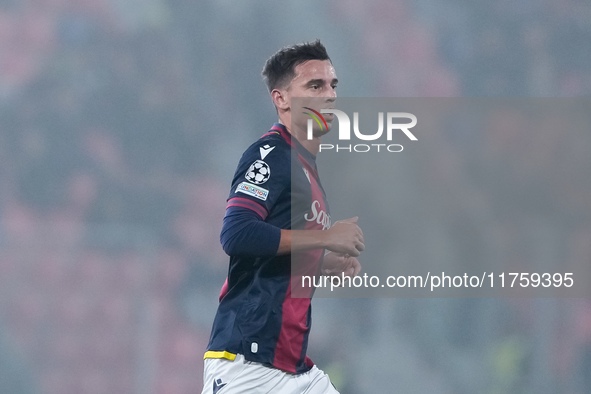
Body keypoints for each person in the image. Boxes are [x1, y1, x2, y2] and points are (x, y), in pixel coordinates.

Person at [202, 40, 364, 394]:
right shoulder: (271, 154)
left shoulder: (306, 166)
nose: (329, 95)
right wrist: (325, 239)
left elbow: (273, 256)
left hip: (293, 368)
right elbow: (237, 235)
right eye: (315, 86)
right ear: (281, 99)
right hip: (248, 361)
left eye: (333, 85)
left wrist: (321, 263)